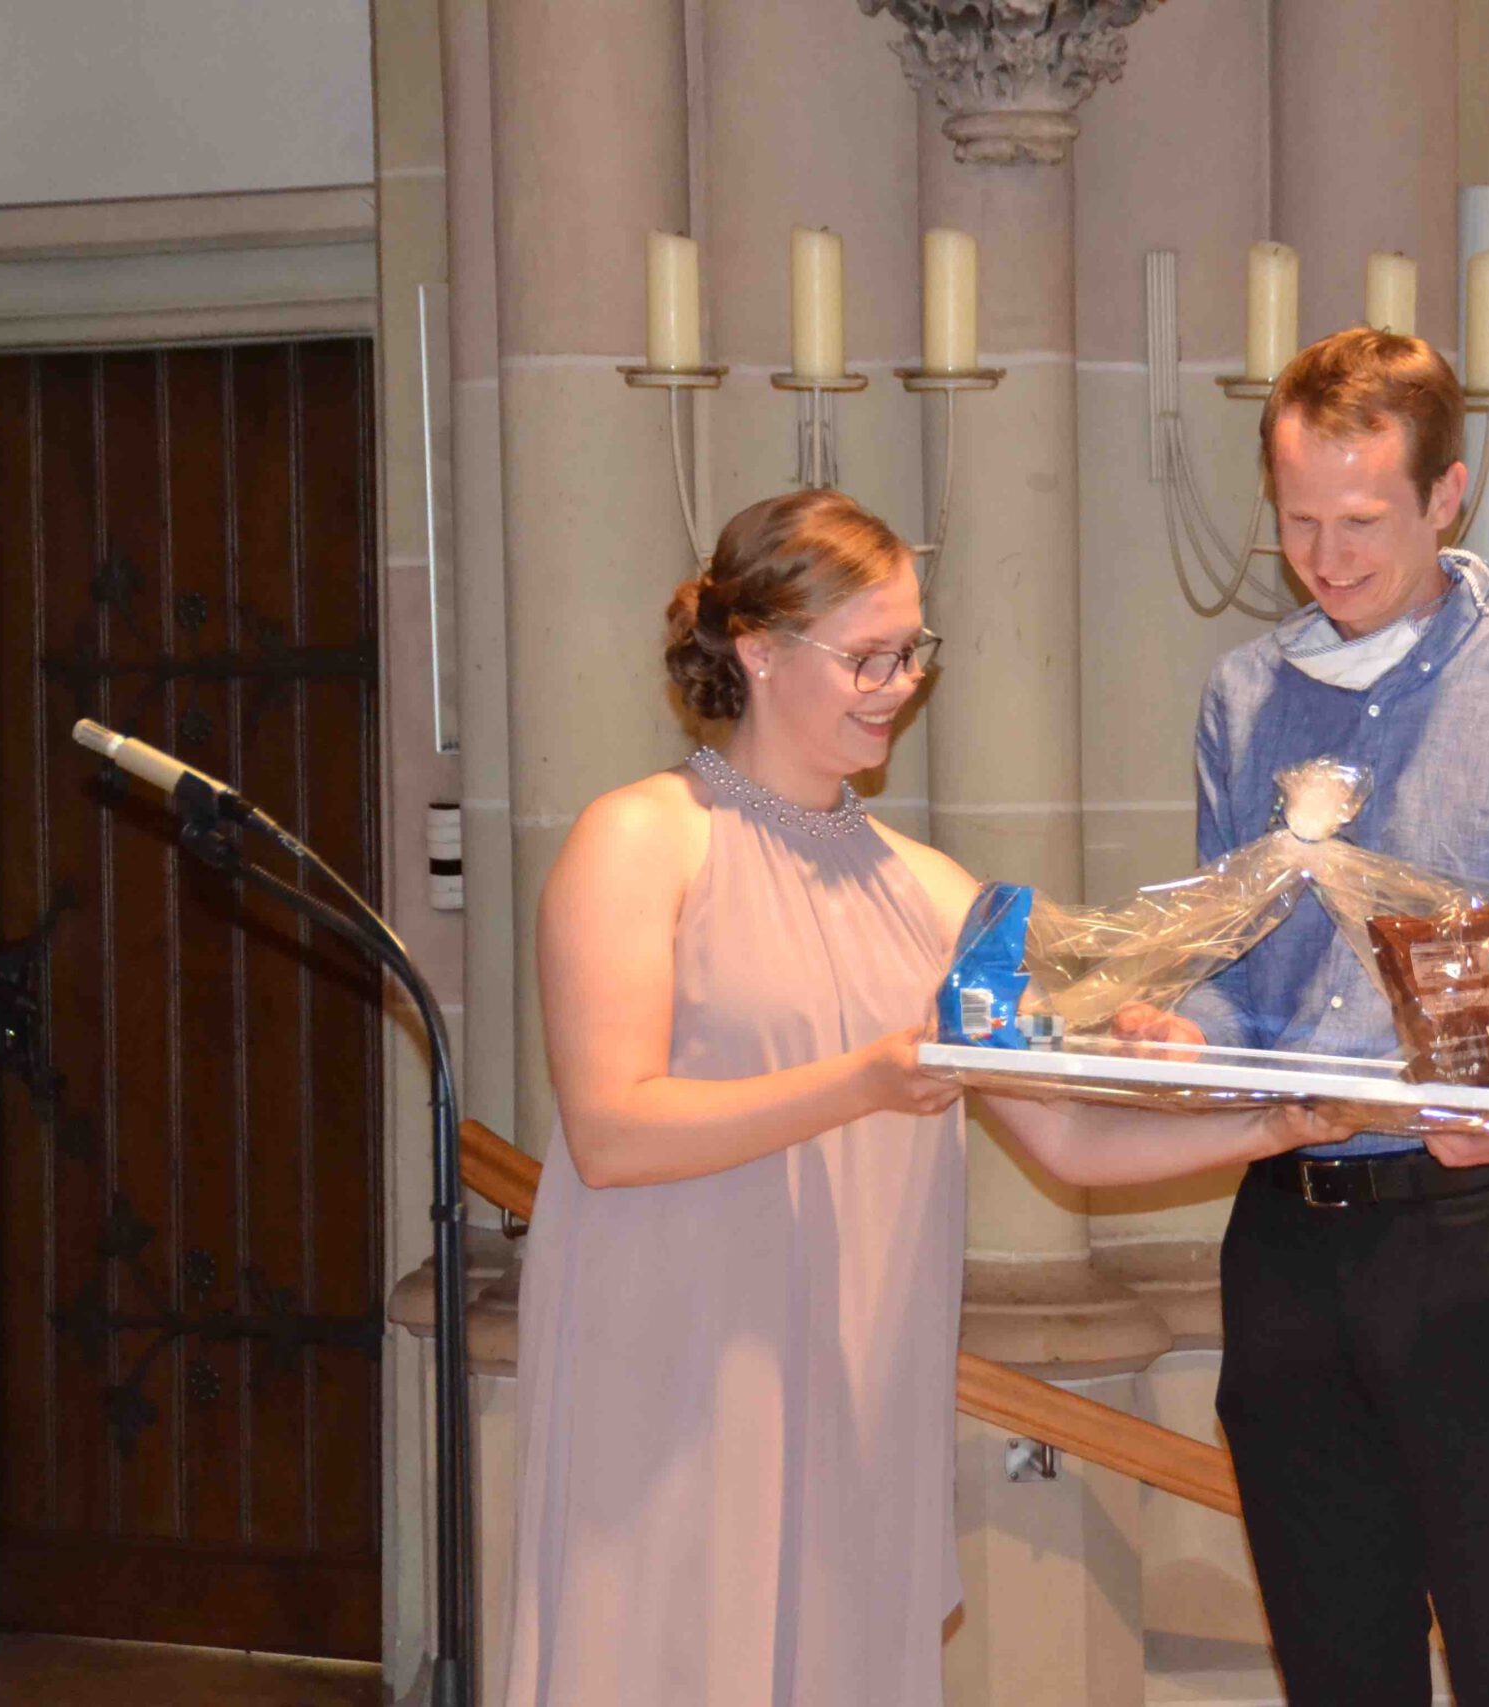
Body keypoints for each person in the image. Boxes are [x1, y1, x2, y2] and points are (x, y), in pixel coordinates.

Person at [496, 489, 1352, 1707]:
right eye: (869, 656)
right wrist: (866, 1078)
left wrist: (1265, 1121)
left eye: (913, 652)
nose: (899, 685)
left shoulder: (933, 891)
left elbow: (1068, 1138)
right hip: (675, 1367)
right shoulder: (639, 841)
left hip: (855, 1374)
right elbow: (612, 1130)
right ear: (758, 649)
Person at [1129, 327, 1489, 1704]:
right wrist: (1185, 1030)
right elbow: (1233, 970)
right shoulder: (1243, 697)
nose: (1325, 559)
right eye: (1297, 520)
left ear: (1447, 496)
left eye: (1362, 521)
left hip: (1479, 1234)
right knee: (1336, 1676)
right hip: (1285, 1234)